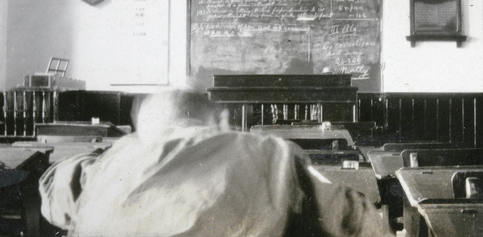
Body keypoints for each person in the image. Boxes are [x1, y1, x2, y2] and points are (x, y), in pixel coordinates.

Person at [39, 90, 393, 236]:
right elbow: (361, 223)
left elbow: (53, 188)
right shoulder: (268, 154)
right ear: (218, 121)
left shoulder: (111, 163)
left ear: (143, 130)